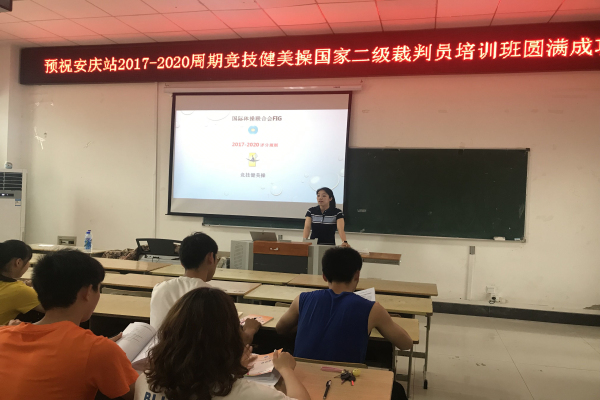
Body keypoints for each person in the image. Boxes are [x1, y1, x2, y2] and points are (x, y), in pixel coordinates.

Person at [276, 247, 412, 399]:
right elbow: (406, 343)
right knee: (397, 390)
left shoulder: (302, 299)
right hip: (345, 382)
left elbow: (280, 328)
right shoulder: (373, 309)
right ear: (357, 275)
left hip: (300, 381)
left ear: (324, 276)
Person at [0, 249, 138, 400]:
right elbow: (138, 393)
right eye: (99, 288)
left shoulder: (4, 335)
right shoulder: (99, 351)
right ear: (87, 292)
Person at [136, 287, 311, 400]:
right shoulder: (243, 393)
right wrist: (286, 370)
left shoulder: (146, 381)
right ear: (230, 338)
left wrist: (232, 370)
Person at [150, 232, 260, 343]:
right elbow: (240, 341)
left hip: (159, 353)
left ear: (182, 262)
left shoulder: (159, 288)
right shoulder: (213, 298)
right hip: (197, 354)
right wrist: (250, 329)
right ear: (210, 257)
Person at [0, 240, 44, 325]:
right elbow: (54, 310)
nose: (28, 265)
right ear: (18, 262)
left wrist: (27, 284)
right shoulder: (19, 291)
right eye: (28, 261)